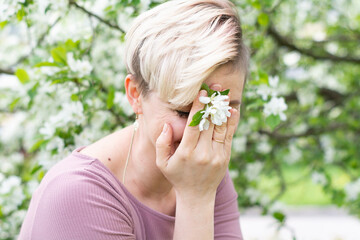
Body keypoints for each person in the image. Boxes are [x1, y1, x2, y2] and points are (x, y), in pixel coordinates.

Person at [19, 0, 249, 239]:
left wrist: (198, 193)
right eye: (183, 111)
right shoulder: (79, 193)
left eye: (222, 110)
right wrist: (195, 198)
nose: (203, 131)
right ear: (136, 95)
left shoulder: (201, 171)